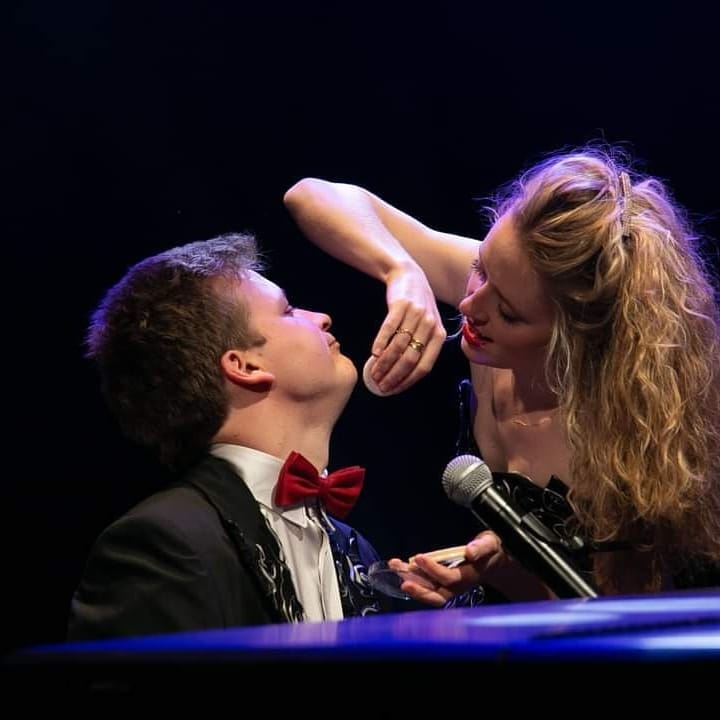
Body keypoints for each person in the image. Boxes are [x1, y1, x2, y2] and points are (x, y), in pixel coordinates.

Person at [284, 144, 720, 601]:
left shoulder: (631, 426)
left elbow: (616, 610)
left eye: (509, 314)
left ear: (578, 335)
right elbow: (310, 195)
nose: (470, 304)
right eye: (480, 269)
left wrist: (504, 574)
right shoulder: (510, 278)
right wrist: (401, 269)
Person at [69, 232, 392, 640]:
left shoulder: (352, 546)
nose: (321, 317)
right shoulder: (162, 544)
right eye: (289, 311)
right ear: (245, 366)